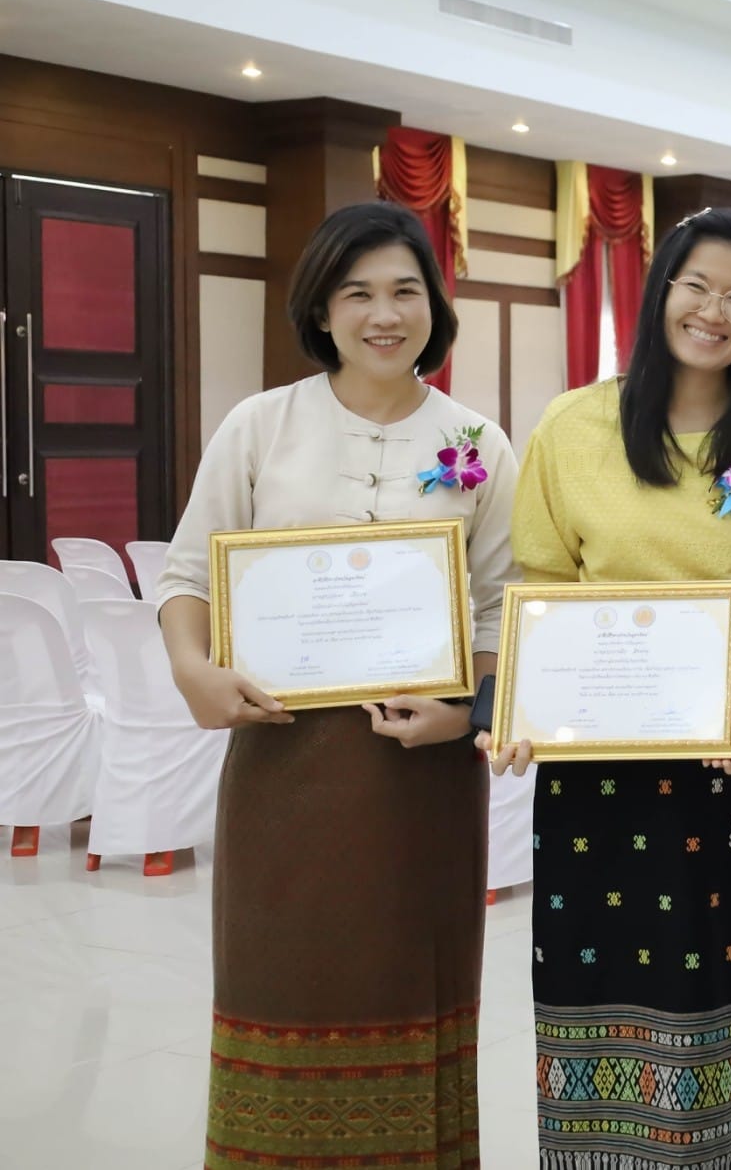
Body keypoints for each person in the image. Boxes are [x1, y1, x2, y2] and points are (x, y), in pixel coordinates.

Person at [157, 201, 518, 1168]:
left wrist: (463, 714)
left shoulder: (479, 442)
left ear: (434, 306)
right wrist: (194, 669)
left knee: (416, 988)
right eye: (357, 292)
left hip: (423, 781)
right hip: (283, 770)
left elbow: (500, 611)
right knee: (283, 985)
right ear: (321, 309)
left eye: (405, 290)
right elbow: (187, 575)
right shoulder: (260, 426)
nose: (383, 314)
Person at [482, 208, 731, 1167]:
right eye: (696, 284)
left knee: (723, 995)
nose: (714, 310)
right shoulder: (574, 423)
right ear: (658, 287)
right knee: (594, 987)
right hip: (599, 755)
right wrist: (520, 705)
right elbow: (537, 582)